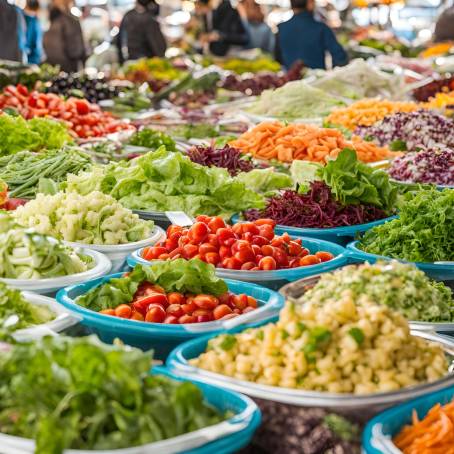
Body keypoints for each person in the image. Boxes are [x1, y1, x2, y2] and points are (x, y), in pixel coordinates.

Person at [275, 0, 348, 69]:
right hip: (317, 80)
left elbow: (277, 59)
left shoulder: (281, 28)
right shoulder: (321, 28)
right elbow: (340, 58)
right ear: (310, 3)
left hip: (290, 80)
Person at [43, 0, 86, 72]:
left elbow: (77, 47)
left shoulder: (69, 19)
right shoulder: (60, 19)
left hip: (67, 65)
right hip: (65, 66)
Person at [23, 0, 43, 64]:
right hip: (32, 58)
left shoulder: (21, 17)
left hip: (24, 55)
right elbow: (37, 44)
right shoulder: (34, 22)